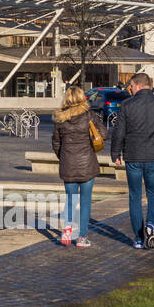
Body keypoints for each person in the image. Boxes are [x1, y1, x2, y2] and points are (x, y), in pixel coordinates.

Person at [110, 71, 154, 249]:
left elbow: (119, 132)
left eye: (130, 86)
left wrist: (115, 153)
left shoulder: (127, 105)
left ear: (138, 85)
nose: (129, 89)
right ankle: (151, 224)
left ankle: (139, 238)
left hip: (133, 156)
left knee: (135, 196)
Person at [51, 85, 107, 248]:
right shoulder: (89, 116)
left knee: (70, 200)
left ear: (67, 98)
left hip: (68, 164)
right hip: (87, 164)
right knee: (85, 202)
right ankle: (81, 238)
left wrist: (63, 157)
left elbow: (56, 142)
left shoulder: (60, 118)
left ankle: (67, 230)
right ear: (82, 98)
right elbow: (104, 135)